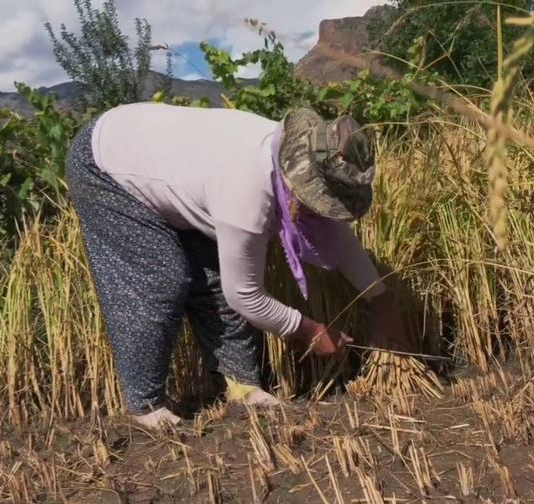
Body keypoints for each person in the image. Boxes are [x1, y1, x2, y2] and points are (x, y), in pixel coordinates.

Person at [64, 102, 410, 429]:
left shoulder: (292, 155)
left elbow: (335, 236)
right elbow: (244, 295)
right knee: (160, 278)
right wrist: (307, 331)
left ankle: (242, 387)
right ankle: (145, 407)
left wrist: (380, 298)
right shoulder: (246, 192)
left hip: (172, 167)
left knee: (214, 276)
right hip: (107, 164)